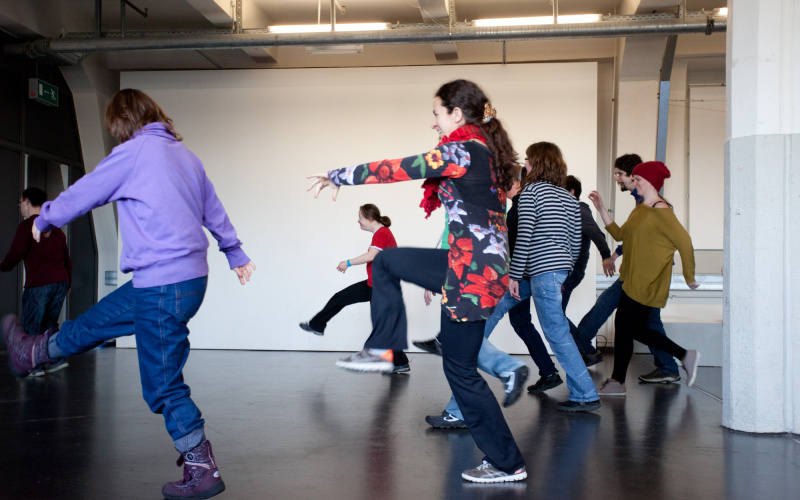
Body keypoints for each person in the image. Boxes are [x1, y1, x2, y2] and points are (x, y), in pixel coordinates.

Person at [1, 89, 256, 500]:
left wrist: (45, 218)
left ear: (121, 123)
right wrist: (234, 250)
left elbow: (87, 191)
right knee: (95, 323)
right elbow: (214, 209)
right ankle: (32, 353)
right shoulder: (186, 157)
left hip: (162, 284)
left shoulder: (135, 153)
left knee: (162, 382)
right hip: (182, 282)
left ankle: (201, 466)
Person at [307, 79, 527, 483]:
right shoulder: (488, 152)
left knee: (461, 371)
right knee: (388, 262)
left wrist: (340, 175)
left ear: (456, 114)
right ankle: (384, 350)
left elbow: (401, 168)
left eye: (437, 114)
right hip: (470, 263)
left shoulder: (462, 150)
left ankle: (508, 463)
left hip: (472, 271)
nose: (434, 123)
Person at [496, 141, 601, 413]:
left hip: (538, 272)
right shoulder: (567, 197)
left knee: (556, 333)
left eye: (529, 160)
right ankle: (461, 347)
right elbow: (575, 240)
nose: (525, 165)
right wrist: (564, 270)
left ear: (539, 163)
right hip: (552, 272)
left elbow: (525, 237)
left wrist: (514, 275)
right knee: (495, 308)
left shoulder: (531, 193)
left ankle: (586, 393)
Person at [587, 160, 700, 396]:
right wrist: (602, 210)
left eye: (637, 179)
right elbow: (620, 234)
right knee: (637, 329)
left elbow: (684, 242)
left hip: (646, 281)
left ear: (649, 182)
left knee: (623, 326)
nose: (633, 182)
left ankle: (618, 381)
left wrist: (689, 276)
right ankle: (684, 356)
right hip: (633, 279)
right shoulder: (641, 209)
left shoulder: (662, 210)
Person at [572, 154, 682, 384]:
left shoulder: (650, 202)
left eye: (620, 174)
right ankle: (668, 366)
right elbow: (633, 235)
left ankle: (583, 351)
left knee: (609, 308)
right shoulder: (641, 200)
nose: (616, 178)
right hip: (639, 270)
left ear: (634, 177)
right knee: (648, 322)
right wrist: (616, 253)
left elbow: (658, 239)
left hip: (646, 272)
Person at [299, 203, 410, 373]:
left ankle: (397, 361)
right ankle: (317, 325)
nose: (358, 221)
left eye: (360, 217)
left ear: (370, 218)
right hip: (373, 283)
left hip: (383, 287)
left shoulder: (382, 233)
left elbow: (371, 255)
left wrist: (347, 263)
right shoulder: (380, 233)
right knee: (340, 297)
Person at [1, 187, 71, 375]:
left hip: (40, 282)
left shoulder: (27, 226)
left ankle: (34, 365)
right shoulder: (56, 230)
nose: (20, 207)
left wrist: (2, 266)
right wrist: (68, 283)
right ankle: (57, 358)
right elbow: (66, 259)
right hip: (60, 282)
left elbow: (16, 252)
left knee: (32, 325)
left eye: (20, 203)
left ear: (27, 202)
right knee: (50, 324)